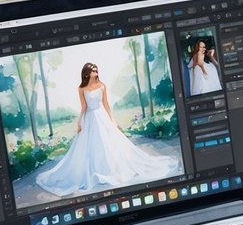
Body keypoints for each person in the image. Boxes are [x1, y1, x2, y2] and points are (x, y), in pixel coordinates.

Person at [35, 63, 181, 197]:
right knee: (91, 146)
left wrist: (112, 120)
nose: (96, 72)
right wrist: (79, 122)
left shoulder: (101, 86)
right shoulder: (82, 89)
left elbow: (106, 105)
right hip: (90, 118)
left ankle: (112, 170)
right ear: (87, 73)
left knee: (109, 143)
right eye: (93, 70)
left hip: (102, 117)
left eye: (96, 70)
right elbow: (84, 107)